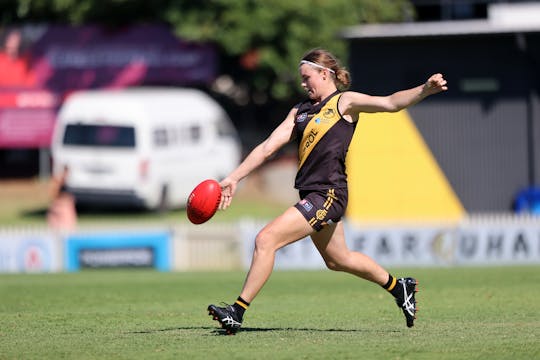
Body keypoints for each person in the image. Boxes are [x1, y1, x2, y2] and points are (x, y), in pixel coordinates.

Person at [208, 48, 448, 334]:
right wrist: (234, 178)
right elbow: (267, 147)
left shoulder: (344, 102)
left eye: (307, 77)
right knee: (338, 260)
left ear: (325, 74)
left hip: (329, 194)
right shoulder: (299, 111)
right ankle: (400, 287)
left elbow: (390, 102)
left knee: (265, 240)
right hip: (311, 194)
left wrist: (424, 90)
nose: (303, 84)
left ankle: (237, 311)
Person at [47, 165, 77, 231]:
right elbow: (54, 194)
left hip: (64, 205)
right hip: (60, 205)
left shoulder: (63, 180)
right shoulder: (58, 180)